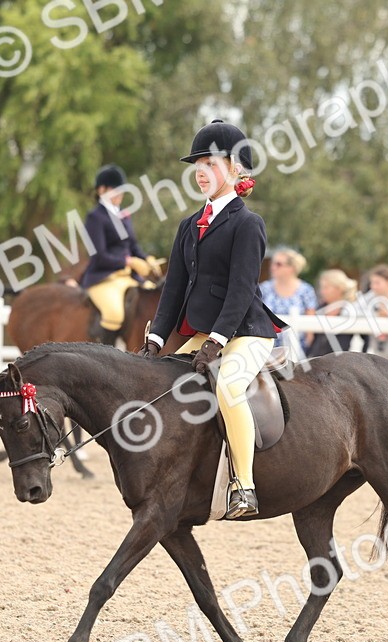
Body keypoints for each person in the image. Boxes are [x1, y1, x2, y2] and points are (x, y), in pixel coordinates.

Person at [136, 120, 285, 519]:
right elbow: (173, 290)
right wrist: (156, 338)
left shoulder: (247, 224)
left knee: (229, 388)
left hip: (245, 331)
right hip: (201, 331)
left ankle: (244, 487)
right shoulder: (189, 225)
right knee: (162, 386)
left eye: (211, 162)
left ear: (236, 168)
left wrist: (216, 340)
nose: (201, 170)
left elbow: (240, 289)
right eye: (197, 163)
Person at [73, 164, 159, 346]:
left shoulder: (123, 215)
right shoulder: (95, 217)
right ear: (101, 190)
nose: (120, 194)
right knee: (114, 313)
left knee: (152, 297)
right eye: (115, 189)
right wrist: (129, 262)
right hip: (103, 277)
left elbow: (133, 245)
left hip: (126, 277)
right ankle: (105, 355)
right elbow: (99, 255)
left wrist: (146, 259)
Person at [259, 249, 319, 358]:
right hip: (268, 347)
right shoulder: (264, 288)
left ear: (292, 268)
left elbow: (310, 323)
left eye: (278, 264)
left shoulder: (306, 290)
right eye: (273, 263)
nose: (273, 267)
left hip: (297, 349)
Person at [306, 269, 360, 358]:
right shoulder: (320, 309)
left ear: (339, 288)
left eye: (326, 287)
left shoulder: (351, 310)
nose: (322, 291)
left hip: (343, 361)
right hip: (318, 361)